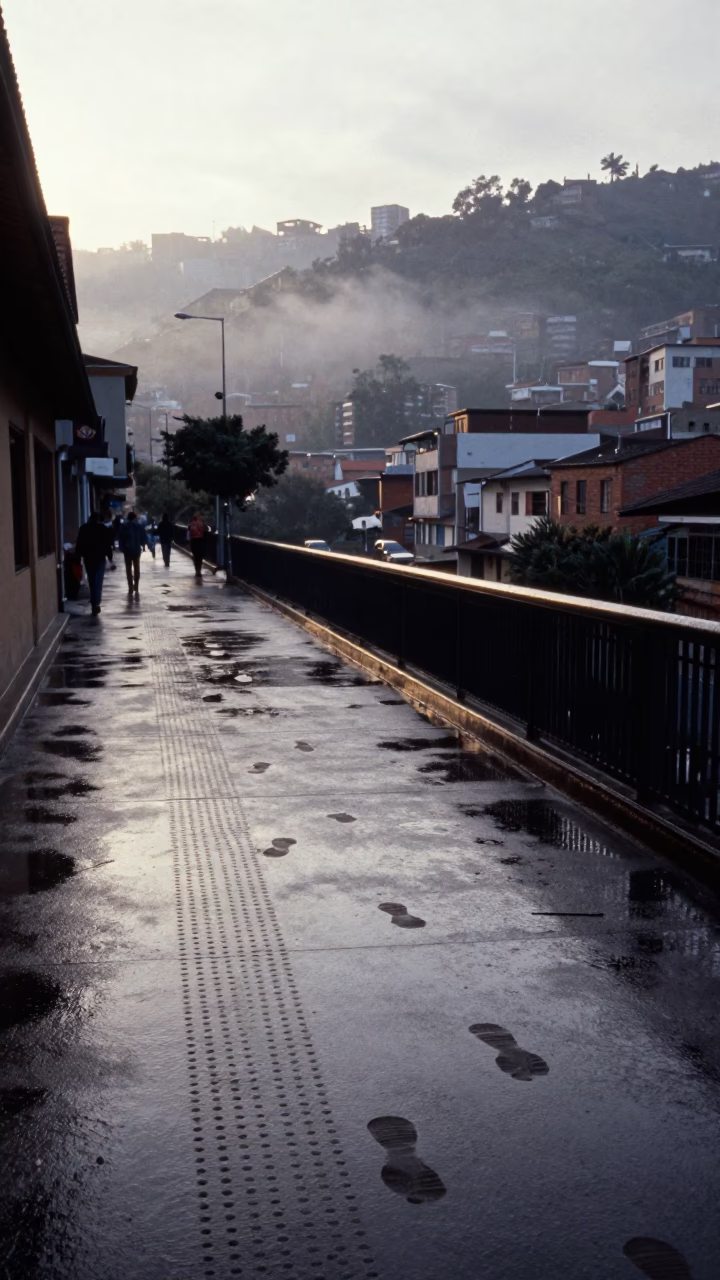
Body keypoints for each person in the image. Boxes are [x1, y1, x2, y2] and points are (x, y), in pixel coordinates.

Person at [75, 511, 114, 615]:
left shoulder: (84, 528)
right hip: (100, 558)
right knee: (98, 581)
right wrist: (110, 559)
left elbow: (79, 544)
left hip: (88, 558)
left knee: (92, 581)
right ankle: (96, 603)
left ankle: (94, 603)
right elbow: (108, 545)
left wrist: (78, 558)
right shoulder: (103, 529)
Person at [117, 510, 147, 597]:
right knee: (137, 567)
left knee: (128, 568)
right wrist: (143, 546)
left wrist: (122, 548)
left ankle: (130, 587)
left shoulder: (124, 527)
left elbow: (120, 539)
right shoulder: (139, 526)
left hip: (127, 551)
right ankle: (136, 585)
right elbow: (143, 538)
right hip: (137, 550)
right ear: (135, 518)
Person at [187, 512, 210, 578]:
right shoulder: (203, 523)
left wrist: (188, 541)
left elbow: (188, 534)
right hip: (201, 541)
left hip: (193, 541)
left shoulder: (191, 524)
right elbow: (207, 530)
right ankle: (199, 570)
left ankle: (197, 570)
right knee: (200, 557)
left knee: (195, 556)